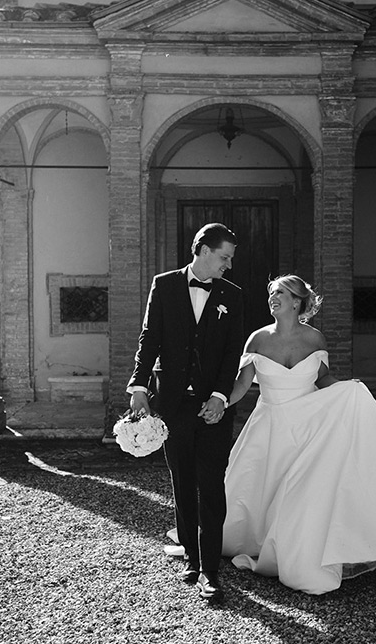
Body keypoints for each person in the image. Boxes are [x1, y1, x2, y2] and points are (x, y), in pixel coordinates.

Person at [221, 274, 376, 595]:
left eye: (281, 293)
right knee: (258, 486)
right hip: (269, 427)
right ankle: (255, 539)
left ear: (296, 302)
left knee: (301, 492)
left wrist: (351, 390)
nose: (273, 298)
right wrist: (218, 403)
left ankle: (295, 548)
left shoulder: (315, 339)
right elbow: (240, 385)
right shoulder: (257, 340)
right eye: (272, 293)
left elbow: (323, 380)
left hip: (309, 429)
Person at [127, 223, 245, 603]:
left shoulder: (233, 295)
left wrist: (220, 397)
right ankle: (191, 560)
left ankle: (211, 571)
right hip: (174, 403)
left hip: (213, 406)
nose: (228, 265)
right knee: (182, 480)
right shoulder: (164, 285)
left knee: (211, 485)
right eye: (224, 257)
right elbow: (150, 339)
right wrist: (139, 387)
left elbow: (233, 354)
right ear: (203, 250)